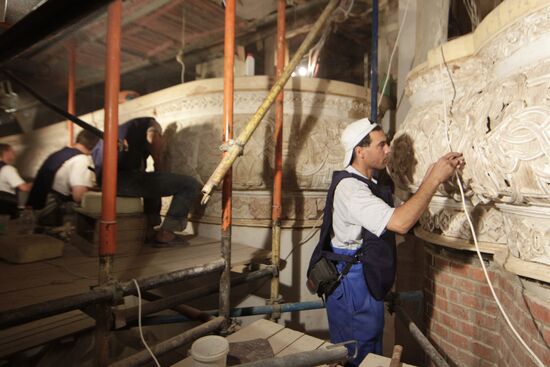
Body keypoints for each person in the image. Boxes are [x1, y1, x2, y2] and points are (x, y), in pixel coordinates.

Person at [307, 118, 463, 366]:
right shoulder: (351, 189)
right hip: (352, 284)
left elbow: (405, 215)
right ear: (360, 151)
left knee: (370, 348)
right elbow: (400, 222)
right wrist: (433, 179)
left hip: (363, 277)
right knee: (357, 353)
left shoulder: (371, 185)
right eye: (381, 145)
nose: (388, 149)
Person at [92, 117, 200, 245]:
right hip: (122, 179)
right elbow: (153, 138)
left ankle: (149, 229)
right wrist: (158, 164)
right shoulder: (149, 122)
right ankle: (167, 234)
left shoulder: (123, 130)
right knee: (189, 184)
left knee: (149, 181)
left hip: (106, 182)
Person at [27, 130, 99, 226]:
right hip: (52, 212)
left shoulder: (60, 154)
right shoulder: (81, 159)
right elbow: (79, 196)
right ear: (95, 146)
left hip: (40, 207)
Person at [0, 144, 31, 218]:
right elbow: (24, 188)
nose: (14, 152)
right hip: (5, 207)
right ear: (5, 152)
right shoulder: (7, 169)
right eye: (11, 150)